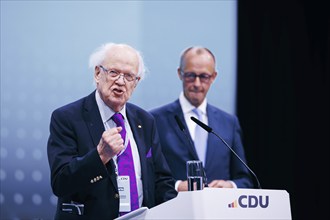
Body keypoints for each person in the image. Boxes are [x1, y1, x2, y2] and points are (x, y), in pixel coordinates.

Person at [47, 42, 177, 220]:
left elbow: (161, 181)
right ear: (98, 73)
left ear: (136, 83)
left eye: (129, 76)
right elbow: (60, 183)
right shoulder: (67, 118)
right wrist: (100, 155)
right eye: (114, 72)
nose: (121, 82)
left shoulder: (145, 121)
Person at [150, 46, 254, 191]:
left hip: (218, 210)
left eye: (204, 76)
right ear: (180, 73)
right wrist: (177, 186)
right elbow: (147, 175)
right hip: (175, 209)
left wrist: (229, 186)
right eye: (191, 75)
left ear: (213, 77)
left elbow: (245, 180)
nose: (197, 84)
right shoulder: (155, 120)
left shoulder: (229, 123)